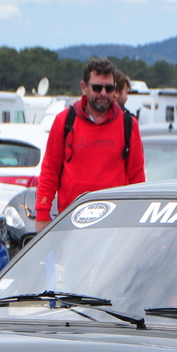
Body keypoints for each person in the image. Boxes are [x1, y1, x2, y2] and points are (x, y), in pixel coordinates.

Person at [35, 58, 145, 231]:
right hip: (70, 221)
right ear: (84, 87)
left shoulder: (128, 124)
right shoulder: (64, 121)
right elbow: (50, 171)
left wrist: (137, 218)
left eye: (109, 88)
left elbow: (137, 177)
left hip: (114, 224)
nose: (103, 93)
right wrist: (42, 213)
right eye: (97, 88)